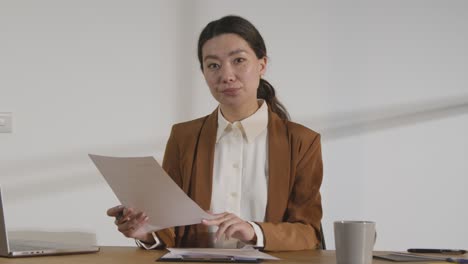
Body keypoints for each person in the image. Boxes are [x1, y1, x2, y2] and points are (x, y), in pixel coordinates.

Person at [106, 15, 323, 251]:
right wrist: (146, 232)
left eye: (238, 60)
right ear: (204, 73)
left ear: (262, 65)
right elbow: (169, 228)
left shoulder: (301, 141)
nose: (226, 75)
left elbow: (308, 233)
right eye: (213, 65)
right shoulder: (183, 137)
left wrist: (254, 231)